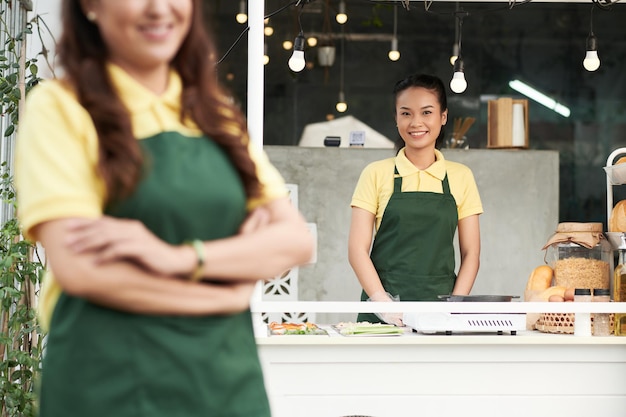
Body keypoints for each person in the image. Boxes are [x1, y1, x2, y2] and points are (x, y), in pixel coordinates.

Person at [15, 1, 314, 416]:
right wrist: (223, 297)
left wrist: (176, 257)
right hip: (110, 383)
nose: (160, 9)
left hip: (226, 382)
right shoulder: (62, 108)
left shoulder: (216, 116)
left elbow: (294, 241)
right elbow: (81, 269)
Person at [348, 73, 483, 325]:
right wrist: (383, 304)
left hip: (441, 308)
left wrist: (454, 307)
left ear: (443, 117)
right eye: (406, 113)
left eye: (426, 112)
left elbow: (471, 252)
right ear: (396, 118)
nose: (416, 122)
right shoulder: (376, 173)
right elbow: (357, 250)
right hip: (381, 313)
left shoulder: (461, 177)